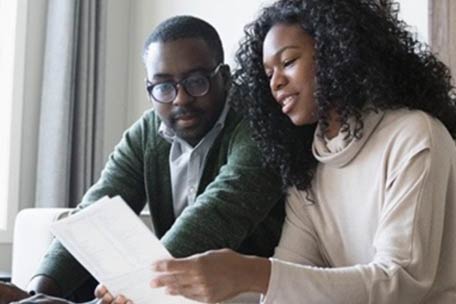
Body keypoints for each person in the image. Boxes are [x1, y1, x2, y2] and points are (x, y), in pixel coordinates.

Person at [147, 0, 456, 303]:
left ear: (337, 52)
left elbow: (398, 283)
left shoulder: (415, 136)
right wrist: (196, 286)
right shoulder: (308, 165)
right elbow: (291, 279)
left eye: (288, 62)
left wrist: (250, 272)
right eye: (268, 74)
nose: (276, 82)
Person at [0, 15, 285, 304]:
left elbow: (218, 215)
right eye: (163, 87)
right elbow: (94, 213)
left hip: (251, 290)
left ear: (223, 76)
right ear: (149, 89)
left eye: (196, 82)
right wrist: (33, 295)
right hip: (173, 288)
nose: (181, 99)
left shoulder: (260, 123)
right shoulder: (146, 134)